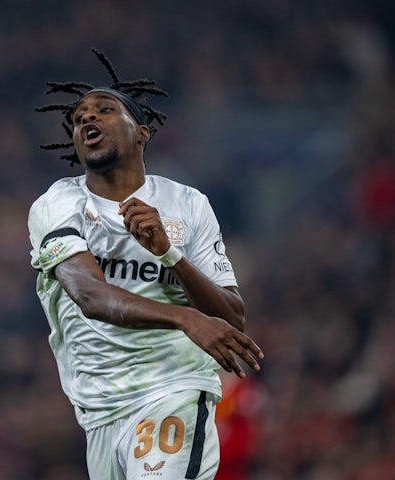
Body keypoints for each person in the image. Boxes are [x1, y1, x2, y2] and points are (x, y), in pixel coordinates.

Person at [28, 48, 264, 480]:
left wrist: (169, 255)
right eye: (79, 118)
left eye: (104, 109)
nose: (87, 120)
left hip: (173, 390)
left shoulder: (187, 204)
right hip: (98, 412)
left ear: (141, 132)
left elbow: (230, 317)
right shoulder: (58, 203)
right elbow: (90, 295)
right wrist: (182, 317)